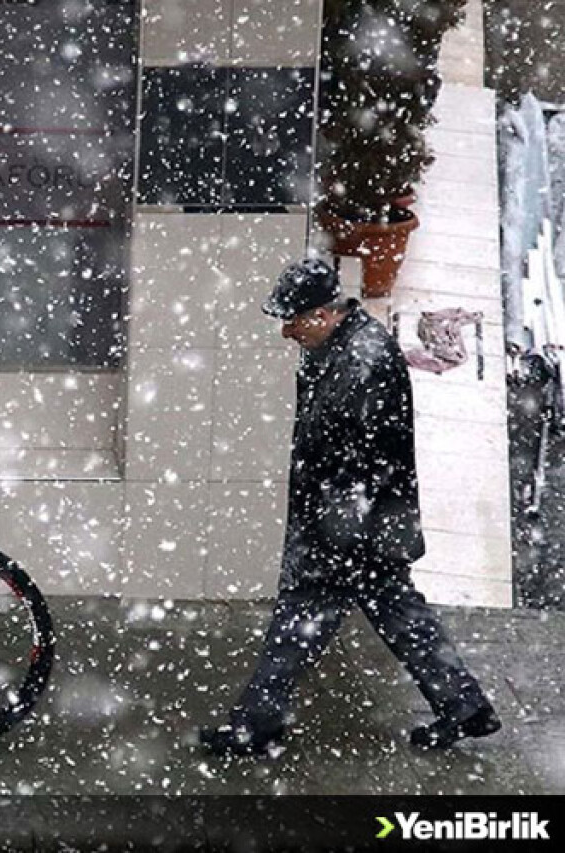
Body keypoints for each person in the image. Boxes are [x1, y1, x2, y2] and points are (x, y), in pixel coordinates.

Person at [199, 258, 500, 757]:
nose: (285, 332)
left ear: (321, 314)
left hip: (351, 530)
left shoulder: (359, 364)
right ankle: (465, 708)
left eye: (291, 319)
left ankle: (256, 725)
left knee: (303, 619)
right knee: (395, 614)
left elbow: (359, 464)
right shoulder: (339, 347)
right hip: (363, 527)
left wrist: (334, 539)